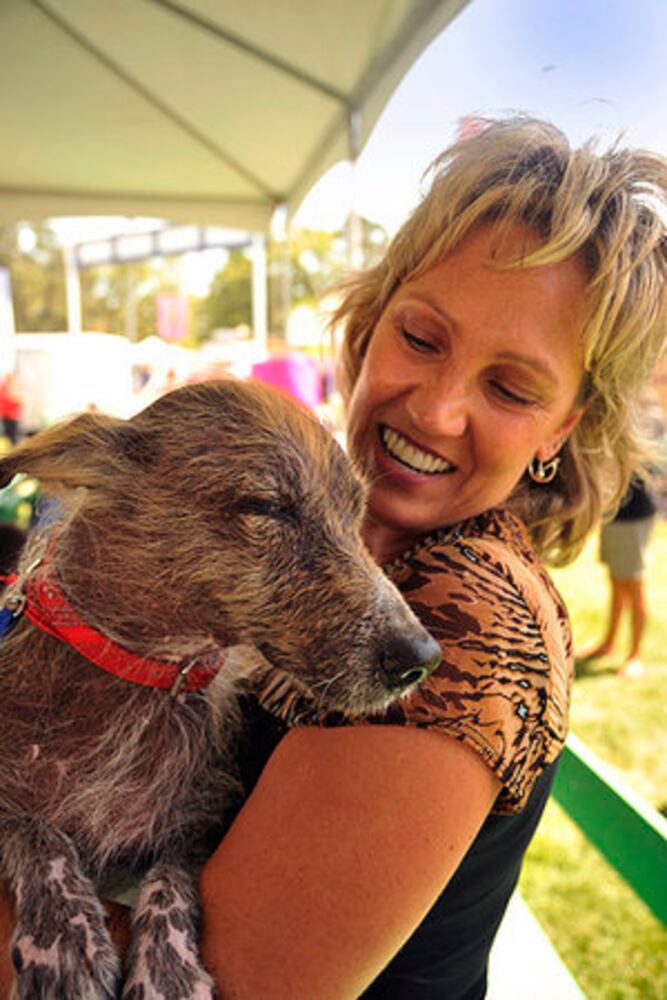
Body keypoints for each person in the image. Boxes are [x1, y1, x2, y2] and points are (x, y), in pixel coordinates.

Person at [1, 116, 666, 999]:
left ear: (561, 428)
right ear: (369, 322)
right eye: (421, 338)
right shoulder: (356, 521)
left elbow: (240, 986)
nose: (435, 411)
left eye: (509, 387)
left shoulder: (470, 619)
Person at [578, 474, 658, 678]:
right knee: (616, 581)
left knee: (633, 584)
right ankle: (609, 644)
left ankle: (635, 657)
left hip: (633, 516)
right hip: (614, 514)